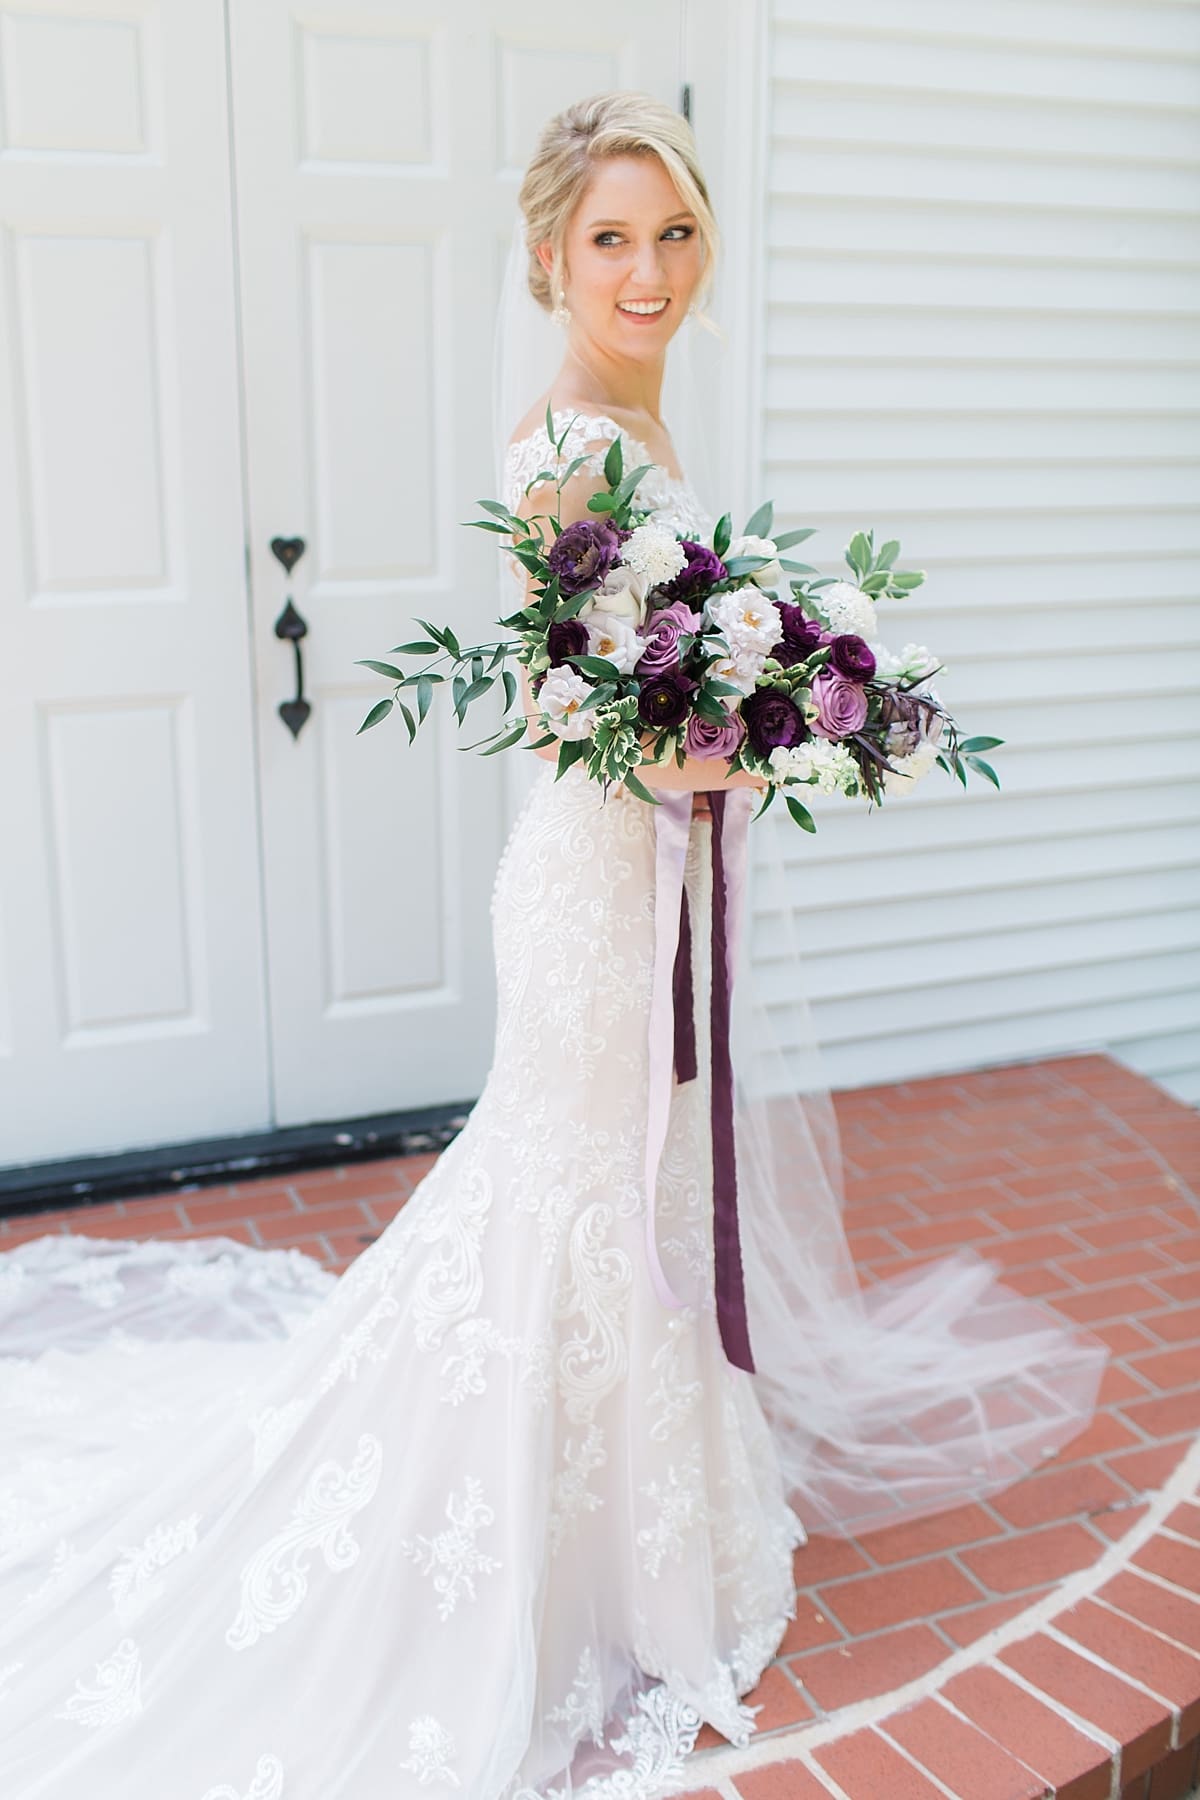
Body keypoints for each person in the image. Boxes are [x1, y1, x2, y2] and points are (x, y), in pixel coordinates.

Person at [0, 91, 1107, 1800]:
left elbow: (637, 689)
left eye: (672, 234)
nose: (646, 268)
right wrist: (787, 734)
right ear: (547, 260)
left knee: (623, 1206)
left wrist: (781, 702)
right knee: (579, 1201)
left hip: (634, 890)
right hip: (597, 902)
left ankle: (640, 1519)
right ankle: (560, 1553)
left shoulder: (640, 432)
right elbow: (596, 719)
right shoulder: (570, 451)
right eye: (611, 240)